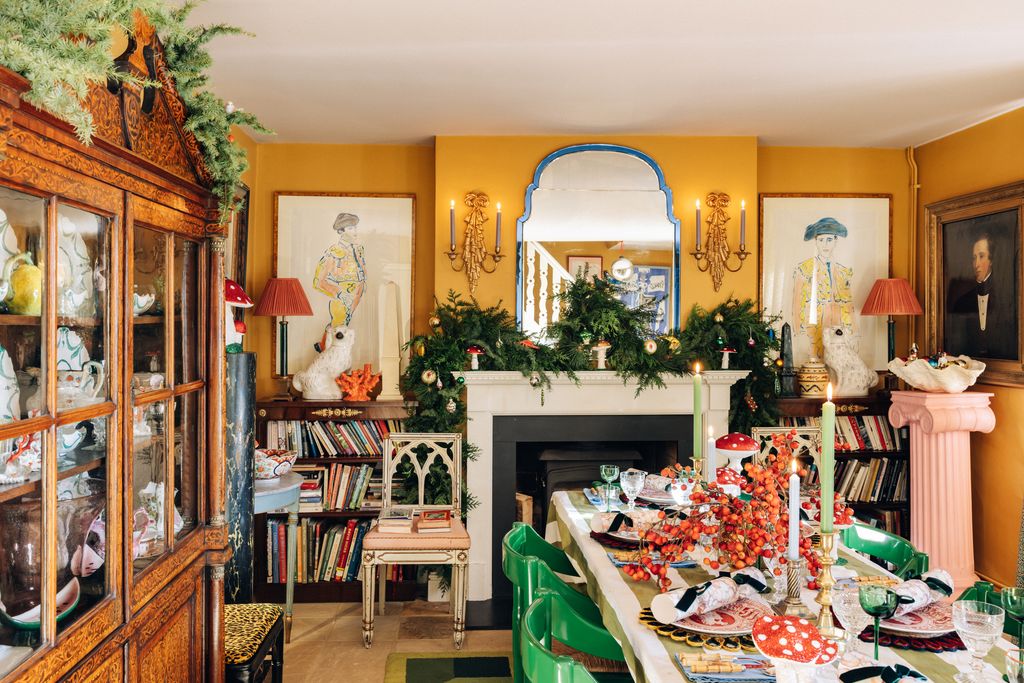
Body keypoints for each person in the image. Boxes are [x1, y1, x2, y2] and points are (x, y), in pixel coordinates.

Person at [790, 217, 854, 359]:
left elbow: (849, 306)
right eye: (821, 240)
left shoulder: (843, 272)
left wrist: (853, 332)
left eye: (829, 240)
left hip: (838, 334)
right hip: (812, 332)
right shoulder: (804, 269)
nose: (825, 244)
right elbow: (796, 304)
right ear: (816, 242)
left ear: (836, 241)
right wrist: (798, 333)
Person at [948, 232, 1016, 358]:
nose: (976, 264)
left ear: (991, 260)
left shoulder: (1008, 302)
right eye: (974, 258)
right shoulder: (962, 302)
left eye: (981, 256)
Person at [313, 212, 366, 328]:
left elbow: (363, 278)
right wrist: (341, 294)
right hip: (340, 303)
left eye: (355, 227)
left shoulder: (359, 250)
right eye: (350, 228)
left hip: (356, 302)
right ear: (341, 231)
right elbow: (319, 282)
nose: (355, 231)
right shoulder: (334, 252)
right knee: (338, 332)